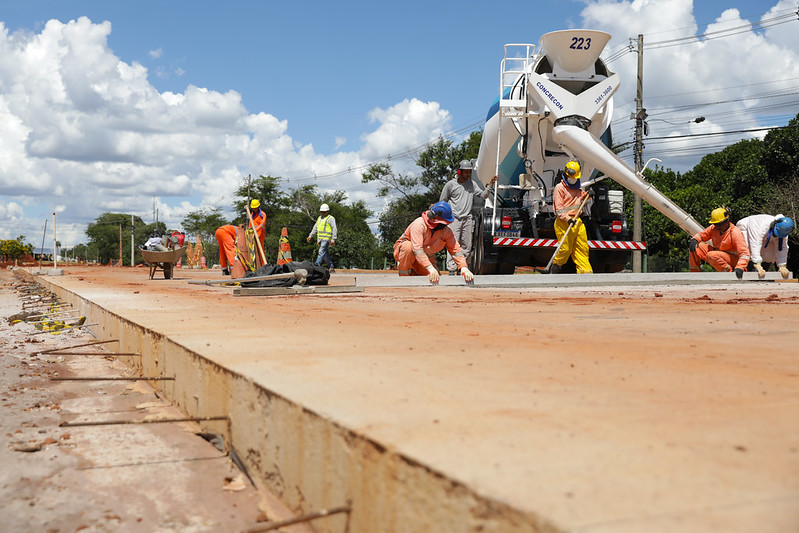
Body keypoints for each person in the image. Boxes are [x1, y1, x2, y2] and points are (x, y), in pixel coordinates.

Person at [393, 201, 475, 283]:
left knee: (435, 279)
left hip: (425, 258)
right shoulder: (419, 224)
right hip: (407, 254)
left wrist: (464, 267)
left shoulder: (446, 230)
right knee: (408, 247)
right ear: (432, 218)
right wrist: (429, 268)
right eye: (442, 223)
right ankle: (404, 278)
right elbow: (417, 249)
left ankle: (416, 273)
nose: (444, 226)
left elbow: (455, 250)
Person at [439, 160, 497, 273]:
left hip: (467, 219)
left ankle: (462, 267)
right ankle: (452, 268)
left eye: (470, 172)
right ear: (459, 172)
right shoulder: (450, 185)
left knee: (466, 246)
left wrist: (490, 185)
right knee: (453, 243)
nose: (469, 175)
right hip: (454, 219)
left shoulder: (472, 184)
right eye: (466, 172)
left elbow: (483, 195)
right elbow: (442, 201)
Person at [549, 160, 592, 274]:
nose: (573, 179)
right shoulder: (559, 188)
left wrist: (588, 195)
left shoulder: (578, 187)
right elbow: (559, 209)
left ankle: (585, 273)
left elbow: (580, 198)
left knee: (582, 248)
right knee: (565, 249)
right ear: (566, 174)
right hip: (564, 222)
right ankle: (556, 266)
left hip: (577, 221)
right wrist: (568, 219)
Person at [689, 207, 750, 278]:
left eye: (719, 224)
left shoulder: (735, 233)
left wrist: (740, 267)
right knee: (695, 246)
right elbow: (702, 235)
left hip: (733, 261)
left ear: (727, 221)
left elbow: (744, 253)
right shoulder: (714, 228)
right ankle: (695, 274)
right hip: (719, 255)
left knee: (711, 255)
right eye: (715, 224)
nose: (717, 227)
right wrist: (695, 239)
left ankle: (729, 273)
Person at [736, 214, 794, 279]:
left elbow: (782, 247)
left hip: (764, 237)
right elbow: (755, 243)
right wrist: (757, 263)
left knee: (770, 255)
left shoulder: (784, 230)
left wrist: (782, 265)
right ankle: (747, 266)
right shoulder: (760, 225)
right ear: (773, 225)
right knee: (747, 247)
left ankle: (764, 267)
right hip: (745, 228)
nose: (776, 236)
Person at [306, 203, 337, 271]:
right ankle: (331, 266)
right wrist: (310, 235)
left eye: (324, 212)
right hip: (319, 239)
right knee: (325, 253)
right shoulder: (319, 218)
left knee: (321, 251)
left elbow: (334, 228)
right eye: (321, 212)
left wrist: (333, 239)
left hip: (326, 238)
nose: (322, 213)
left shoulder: (330, 218)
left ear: (327, 211)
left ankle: (317, 265)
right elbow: (315, 227)